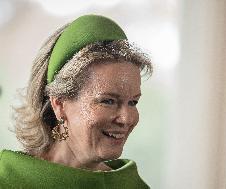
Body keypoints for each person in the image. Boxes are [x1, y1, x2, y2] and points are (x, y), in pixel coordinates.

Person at [0, 14, 152, 189]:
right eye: (108, 101)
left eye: (133, 102)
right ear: (59, 104)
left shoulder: (132, 185)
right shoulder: (7, 179)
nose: (127, 119)